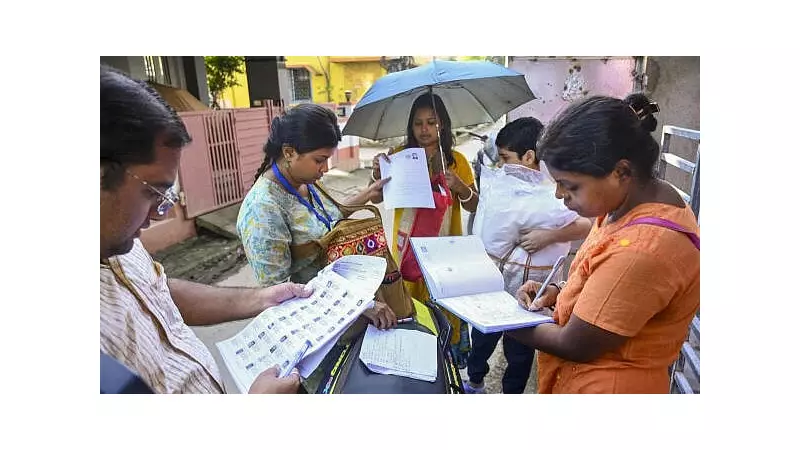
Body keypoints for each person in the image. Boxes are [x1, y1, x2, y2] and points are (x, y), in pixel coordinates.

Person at [100, 65, 304, 394]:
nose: (158, 212)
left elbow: (157, 290)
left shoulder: (119, 241)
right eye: (152, 192)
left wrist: (262, 298)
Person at [506, 94, 700, 394]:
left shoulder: (642, 249)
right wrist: (556, 294)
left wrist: (502, 319)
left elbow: (577, 344)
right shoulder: (625, 204)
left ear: (621, 172)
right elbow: (604, 282)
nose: (559, 195)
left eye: (570, 186)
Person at [237, 104, 397, 330]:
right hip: (316, 325)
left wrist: (368, 193)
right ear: (289, 152)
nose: (324, 168)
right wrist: (359, 305)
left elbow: (328, 218)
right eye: (319, 160)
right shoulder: (263, 210)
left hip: (345, 305)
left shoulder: (304, 181)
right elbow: (278, 296)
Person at [464, 117, 592, 394]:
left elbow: (586, 224)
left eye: (506, 158)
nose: (501, 165)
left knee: (520, 351)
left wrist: (550, 235)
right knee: (483, 337)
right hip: (494, 283)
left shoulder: (555, 191)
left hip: (532, 290)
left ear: (529, 156)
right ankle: (474, 380)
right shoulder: (498, 186)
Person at [369, 93, 478, 368]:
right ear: (411, 126)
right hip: (405, 255)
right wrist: (376, 174)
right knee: (408, 314)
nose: (425, 129)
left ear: (443, 125)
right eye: (418, 123)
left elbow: (474, 204)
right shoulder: (397, 157)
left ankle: (444, 371)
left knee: (442, 314)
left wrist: (460, 188)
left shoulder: (457, 162)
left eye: (432, 122)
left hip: (444, 256)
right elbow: (377, 199)